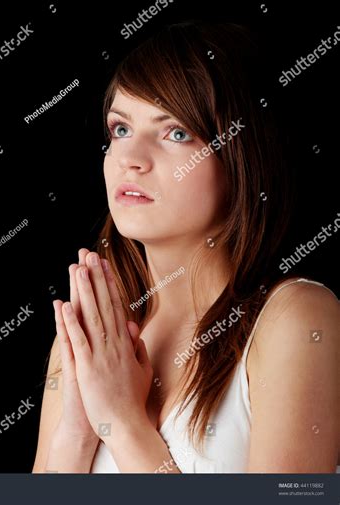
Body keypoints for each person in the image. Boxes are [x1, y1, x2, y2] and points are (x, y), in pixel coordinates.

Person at [33, 22, 340, 473]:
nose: (129, 157)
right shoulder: (91, 339)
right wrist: (80, 428)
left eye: (176, 133)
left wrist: (122, 421)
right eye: (120, 129)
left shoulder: (297, 318)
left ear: (242, 157)